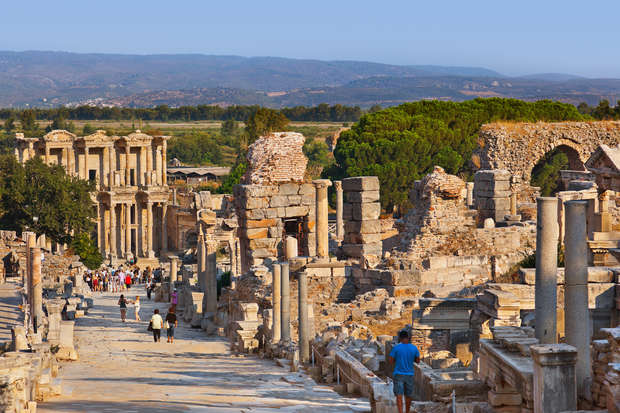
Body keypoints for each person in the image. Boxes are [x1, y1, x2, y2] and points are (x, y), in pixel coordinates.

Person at [389, 330, 421, 413]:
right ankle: (407, 411)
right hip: (410, 374)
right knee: (408, 395)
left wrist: (398, 359)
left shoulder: (396, 348)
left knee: (399, 395)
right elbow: (418, 361)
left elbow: (391, 361)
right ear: (408, 338)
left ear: (400, 338)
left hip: (398, 374)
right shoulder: (414, 348)